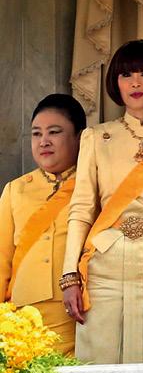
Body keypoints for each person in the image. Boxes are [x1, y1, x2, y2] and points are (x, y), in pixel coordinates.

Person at [60, 39, 143, 364]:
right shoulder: (96, 137)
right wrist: (70, 274)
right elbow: (81, 210)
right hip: (104, 266)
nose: (135, 83)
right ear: (115, 82)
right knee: (98, 369)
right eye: (126, 74)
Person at [0, 94, 85, 350]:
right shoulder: (16, 189)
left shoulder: (92, 185)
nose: (43, 141)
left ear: (80, 137)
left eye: (54, 132)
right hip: (23, 316)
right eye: (36, 134)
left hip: (78, 310)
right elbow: (2, 258)